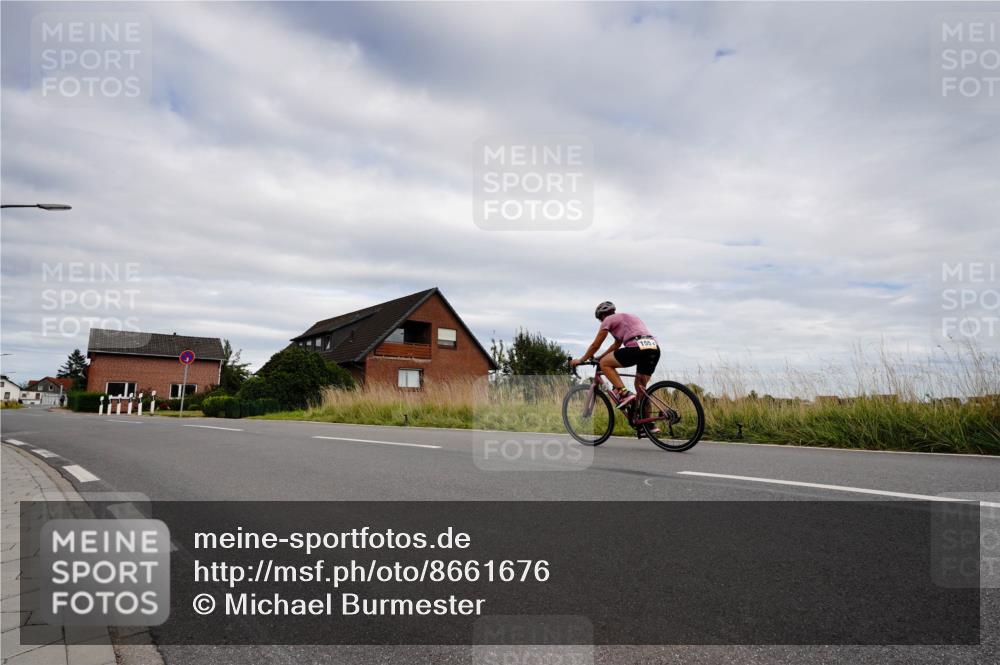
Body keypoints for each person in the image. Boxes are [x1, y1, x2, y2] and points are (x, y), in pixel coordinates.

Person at [570, 301, 660, 411]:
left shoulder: (607, 320)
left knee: (604, 363)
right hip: (653, 348)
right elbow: (616, 344)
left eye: (600, 320)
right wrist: (600, 356)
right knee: (641, 390)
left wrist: (581, 360)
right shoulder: (629, 317)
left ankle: (623, 393)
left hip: (636, 348)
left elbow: (595, 345)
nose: (601, 322)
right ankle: (648, 425)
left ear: (602, 315)